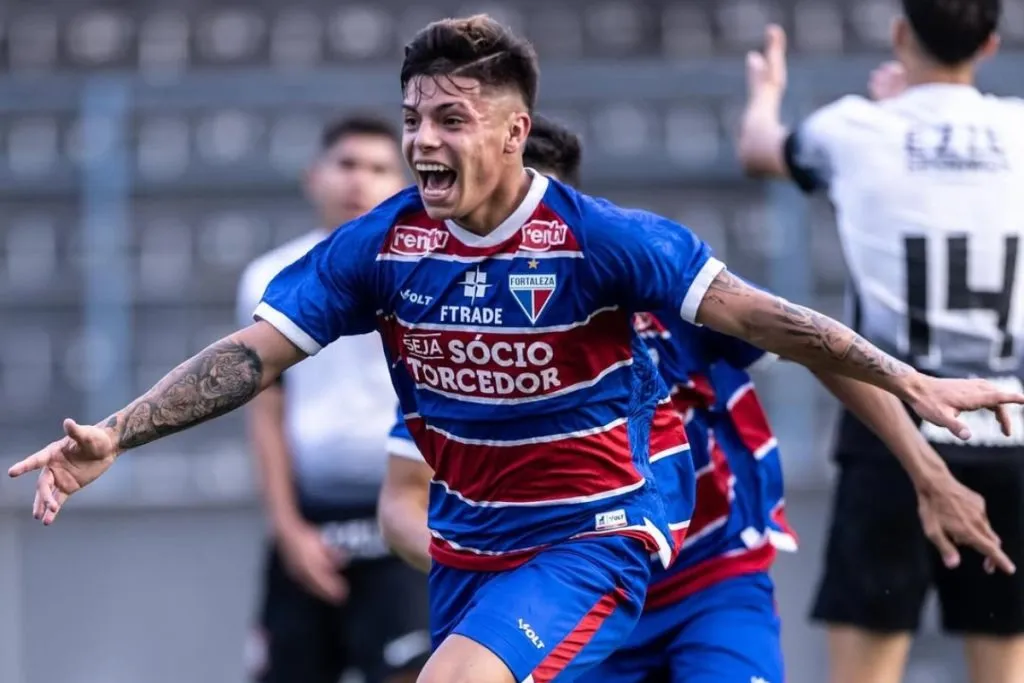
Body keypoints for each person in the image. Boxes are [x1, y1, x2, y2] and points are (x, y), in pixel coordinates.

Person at [10, 15, 1024, 683]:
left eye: (449, 119)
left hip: (639, 551)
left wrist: (917, 414)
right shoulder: (387, 250)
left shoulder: (618, 255)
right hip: (477, 561)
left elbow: (792, 334)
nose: (422, 141)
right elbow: (254, 354)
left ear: (513, 132)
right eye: (414, 118)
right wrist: (117, 431)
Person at [379, 116, 1013, 683]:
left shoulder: (663, 290)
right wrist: (491, 558)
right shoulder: (452, 341)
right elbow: (402, 500)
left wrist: (927, 471)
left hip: (711, 578)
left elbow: (814, 346)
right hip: (565, 590)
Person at [737, 2, 1024, 681]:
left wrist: (766, 92)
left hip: (892, 416)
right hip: (1009, 419)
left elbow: (757, 149)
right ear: (990, 43)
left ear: (900, 34)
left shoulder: (852, 128)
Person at [236, 115, 428, 683]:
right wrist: (287, 530)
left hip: (405, 510)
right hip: (310, 523)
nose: (358, 182)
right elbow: (265, 415)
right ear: (312, 177)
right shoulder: (270, 279)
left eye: (377, 169)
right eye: (346, 165)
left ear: (403, 185)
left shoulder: (428, 274)